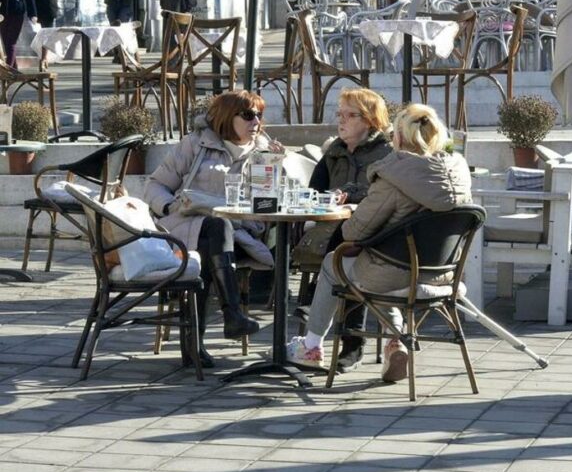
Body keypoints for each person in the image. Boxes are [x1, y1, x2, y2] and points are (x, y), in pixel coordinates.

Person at [285, 103, 473, 383]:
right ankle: (396, 341)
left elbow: (354, 232)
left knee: (336, 263)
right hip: (443, 275)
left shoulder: (395, 176)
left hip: (396, 273)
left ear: (398, 137)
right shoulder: (458, 175)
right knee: (379, 268)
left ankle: (311, 346)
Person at [145, 90, 276, 368]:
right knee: (213, 233)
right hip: (185, 226)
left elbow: (267, 204)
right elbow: (155, 185)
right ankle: (231, 315)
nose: (256, 122)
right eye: (249, 115)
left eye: (259, 115)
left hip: (238, 233)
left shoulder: (263, 151)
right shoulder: (195, 145)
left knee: (215, 234)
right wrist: (168, 207)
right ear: (229, 117)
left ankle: (196, 343)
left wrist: (276, 167)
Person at [304, 88, 394, 372]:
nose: (341, 121)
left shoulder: (388, 153)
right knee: (341, 244)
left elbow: (384, 195)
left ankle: (351, 344)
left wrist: (350, 195)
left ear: (369, 120)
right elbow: (313, 193)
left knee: (348, 250)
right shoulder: (334, 152)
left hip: (378, 235)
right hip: (330, 231)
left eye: (350, 115)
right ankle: (309, 334)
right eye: (339, 115)